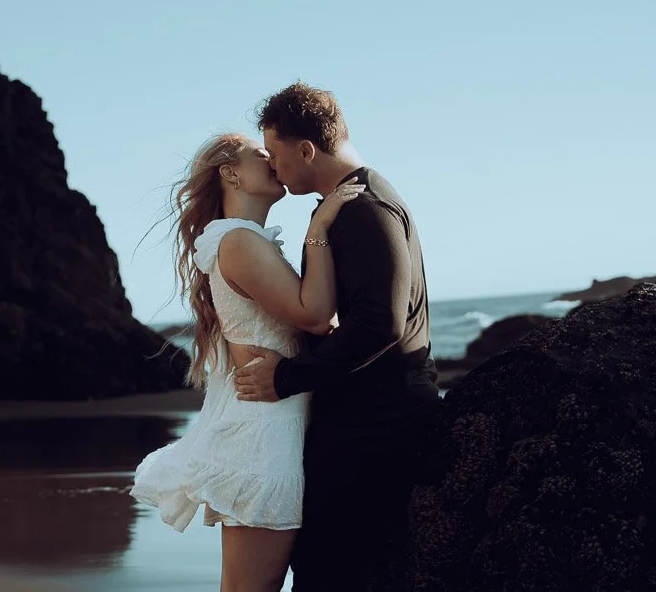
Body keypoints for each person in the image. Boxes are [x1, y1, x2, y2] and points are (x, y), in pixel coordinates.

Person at [131, 131, 363, 592]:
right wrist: (319, 228)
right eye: (261, 156)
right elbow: (317, 317)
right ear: (230, 173)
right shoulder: (237, 241)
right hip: (263, 435)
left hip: (271, 422)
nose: (274, 161)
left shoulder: (242, 240)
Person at [234, 82, 440, 592]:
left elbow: (381, 325)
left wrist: (287, 377)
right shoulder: (345, 204)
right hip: (362, 421)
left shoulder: (365, 209)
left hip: (377, 428)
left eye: (277, 154)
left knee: (327, 571)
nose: (274, 166)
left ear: (306, 150)